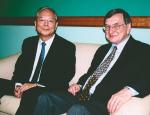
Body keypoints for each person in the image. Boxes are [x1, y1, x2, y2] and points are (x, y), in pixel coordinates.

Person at [33, 8, 150, 115]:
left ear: (128, 27)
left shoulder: (143, 50)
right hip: (81, 96)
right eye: (107, 26)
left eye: (116, 25)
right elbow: (90, 75)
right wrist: (79, 85)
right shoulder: (102, 50)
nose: (111, 30)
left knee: (78, 109)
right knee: (45, 98)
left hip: (102, 101)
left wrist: (128, 91)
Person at [0, 6, 76, 115]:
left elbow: (66, 75)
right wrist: (18, 85)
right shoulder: (28, 42)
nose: (46, 24)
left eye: (50, 21)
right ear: (35, 23)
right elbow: (20, 67)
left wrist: (35, 84)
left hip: (47, 88)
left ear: (56, 25)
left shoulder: (66, 47)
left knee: (32, 93)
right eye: (42, 20)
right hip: (24, 85)